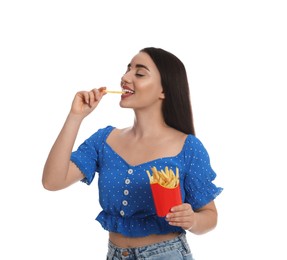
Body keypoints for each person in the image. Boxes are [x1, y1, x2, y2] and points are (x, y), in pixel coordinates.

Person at [42, 47, 223, 259]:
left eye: (139, 73)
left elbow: (210, 217)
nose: (125, 77)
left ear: (163, 90)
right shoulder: (104, 140)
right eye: (127, 70)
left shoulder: (188, 147)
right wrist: (75, 117)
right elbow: (52, 182)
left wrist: (192, 220)